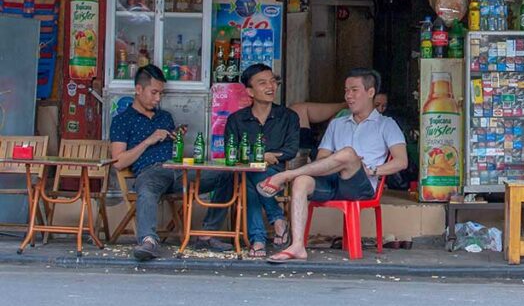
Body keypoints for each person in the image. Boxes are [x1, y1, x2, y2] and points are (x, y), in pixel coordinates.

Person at [257, 68, 408, 263]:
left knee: (347, 153)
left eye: (354, 90)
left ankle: (286, 176)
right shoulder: (338, 123)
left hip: (361, 186)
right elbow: (322, 158)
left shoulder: (387, 124)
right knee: (303, 181)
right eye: (346, 91)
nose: (349, 96)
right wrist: (337, 162)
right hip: (333, 181)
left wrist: (372, 170)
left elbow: (401, 161)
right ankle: (297, 246)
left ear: (370, 92)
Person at [110, 65, 232, 261]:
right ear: (138, 90)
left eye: (161, 93)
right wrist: (148, 140)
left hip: (178, 170)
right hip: (151, 172)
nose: (158, 98)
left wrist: (176, 138)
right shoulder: (122, 121)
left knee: (226, 175)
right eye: (154, 92)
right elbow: (118, 162)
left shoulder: (164, 117)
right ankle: (148, 241)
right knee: (147, 188)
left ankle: (207, 235)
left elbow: (175, 150)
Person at [224, 63, 300, 258]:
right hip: (247, 174)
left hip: (277, 176)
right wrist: (259, 158)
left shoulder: (288, 117)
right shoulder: (236, 120)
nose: (270, 87)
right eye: (262, 83)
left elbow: (291, 150)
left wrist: (268, 158)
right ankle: (277, 219)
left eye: (273, 82)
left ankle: (258, 239)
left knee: (249, 178)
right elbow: (230, 152)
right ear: (249, 91)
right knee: (248, 177)